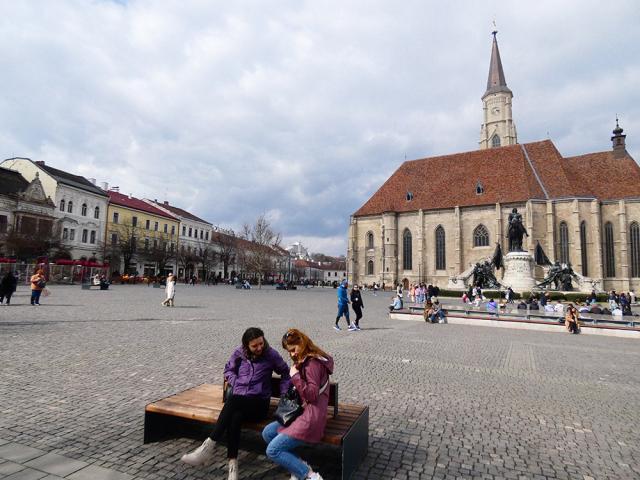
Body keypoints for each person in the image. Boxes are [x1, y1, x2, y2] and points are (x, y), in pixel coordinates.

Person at [181, 327, 290, 480]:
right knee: (235, 418)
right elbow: (228, 370)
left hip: (259, 405)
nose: (260, 347)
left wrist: (284, 394)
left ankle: (207, 448)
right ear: (246, 346)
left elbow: (286, 372)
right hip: (239, 404)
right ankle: (233, 467)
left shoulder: (270, 354)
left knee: (233, 400)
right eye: (255, 345)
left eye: (261, 343)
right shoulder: (239, 354)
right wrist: (236, 381)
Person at [262, 329, 333, 480]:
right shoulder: (305, 361)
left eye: (293, 349)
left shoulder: (312, 364)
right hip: (301, 413)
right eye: (290, 352)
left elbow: (312, 395)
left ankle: (310, 476)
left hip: (311, 418)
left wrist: (294, 376)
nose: (292, 354)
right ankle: (299, 466)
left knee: (273, 450)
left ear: (302, 342)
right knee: (268, 432)